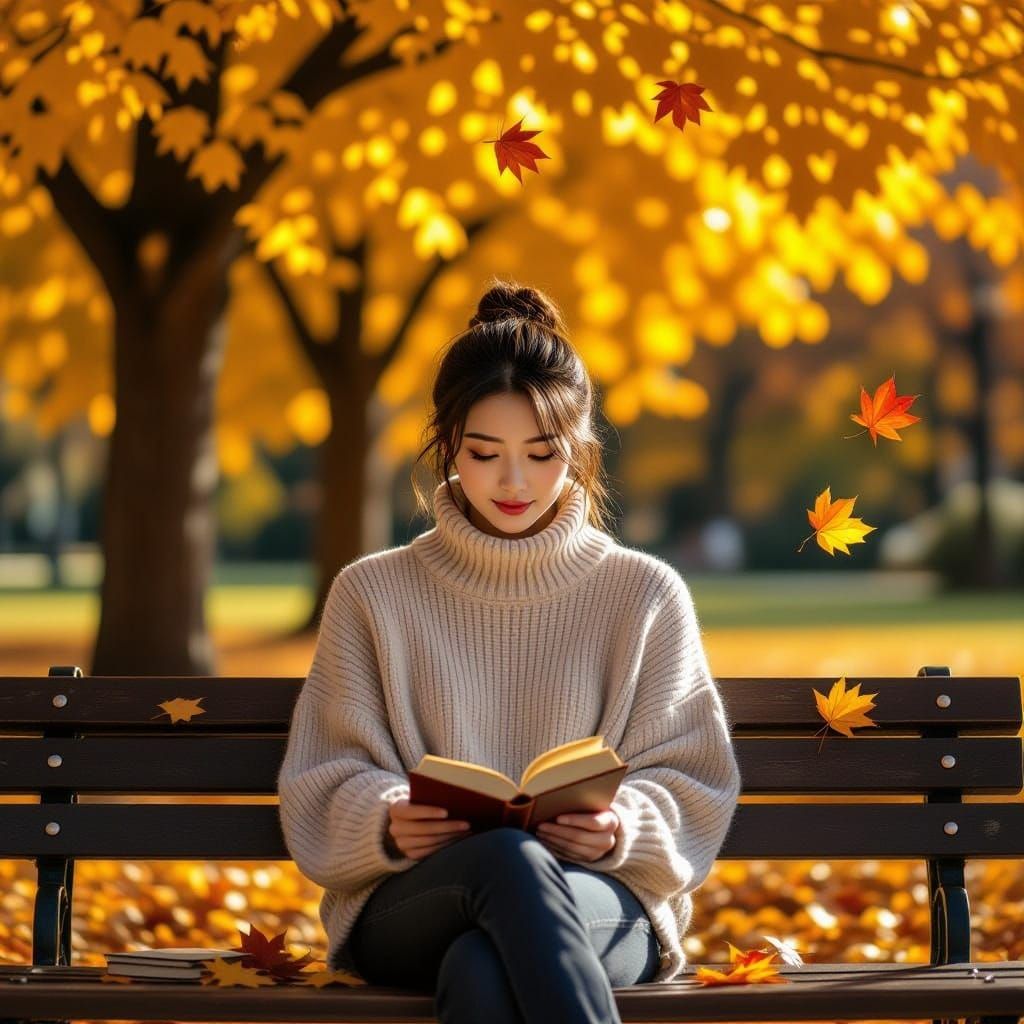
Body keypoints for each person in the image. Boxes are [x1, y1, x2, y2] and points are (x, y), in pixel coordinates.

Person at [277, 278, 742, 1023]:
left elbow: (694, 781)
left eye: (541, 452)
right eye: (485, 453)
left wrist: (623, 825)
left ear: (580, 447)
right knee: (504, 862)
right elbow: (321, 776)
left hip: (604, 898)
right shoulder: (374, 593)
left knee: (483, 966)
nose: (515, 481)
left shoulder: (644, 594)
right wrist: (387, 818)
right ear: (447, 444)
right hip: (415, 900)